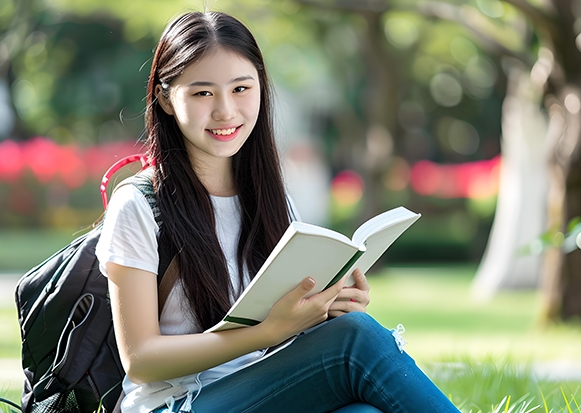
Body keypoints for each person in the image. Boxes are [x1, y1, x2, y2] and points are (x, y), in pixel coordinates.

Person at [95, 10, 461, 413]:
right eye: (202, 93)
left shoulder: (269, 198)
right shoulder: (139, 205)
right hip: (175, 405)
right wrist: (268, 332)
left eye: (240, 89)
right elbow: (141, 360)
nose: (225, 111)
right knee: (356, 339)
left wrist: (323, 309)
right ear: (165, 98)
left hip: (258, 390)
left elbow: (281, 330)